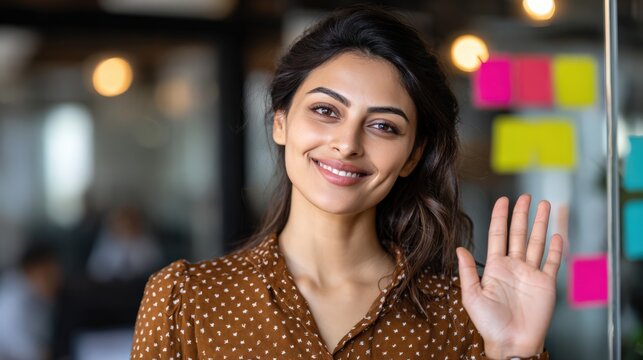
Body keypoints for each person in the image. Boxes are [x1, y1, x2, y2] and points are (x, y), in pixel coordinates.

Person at [131, 5, 563, 359]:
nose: (347, 143)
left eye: (383, 126)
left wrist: (514, 352)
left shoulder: (464, 315)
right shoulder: (184, 300)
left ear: (413, 155)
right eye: (325, 111)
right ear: (281, 122)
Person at [0, 243, 62, 360]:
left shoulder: (35, 295)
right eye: (49, 275)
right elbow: (35, 355)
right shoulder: (13, 305)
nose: (56, 282)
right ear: (30, 271)